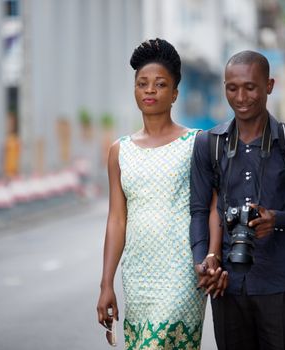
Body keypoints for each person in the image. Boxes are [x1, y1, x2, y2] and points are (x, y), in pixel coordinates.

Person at [190, 50, 285, 349]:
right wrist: (204, 262)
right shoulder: (208, 144)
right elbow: (200, 212)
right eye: (232, 87)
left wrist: (277, 220)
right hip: (227, 288)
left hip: (281, 286)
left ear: (269, 85)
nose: (241, 97)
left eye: (250, 87)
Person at [96, 38, 223, 350]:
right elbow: (116, 220)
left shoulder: (197, 143)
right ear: (135, 90)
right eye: (143, 83)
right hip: (138, 276)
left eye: (160, 84)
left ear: (174, 93)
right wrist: (106, 283)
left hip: (183, 270)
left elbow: (213, 206)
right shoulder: (119, 151)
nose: (150, 90)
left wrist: (212, 255)